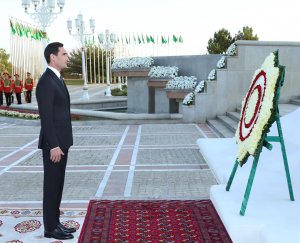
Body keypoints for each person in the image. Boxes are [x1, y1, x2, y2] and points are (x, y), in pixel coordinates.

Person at [36, 42, 75, 240]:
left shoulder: (57, 79)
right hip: (54, 145)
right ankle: (50, 228)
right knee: (52, 185)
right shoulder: (45, 82)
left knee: (58, 184)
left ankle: (55, 222)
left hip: (62, 142)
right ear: (53, 57)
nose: (67, 57)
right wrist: (54, 145)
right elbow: (46, 118)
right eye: (64, 54)